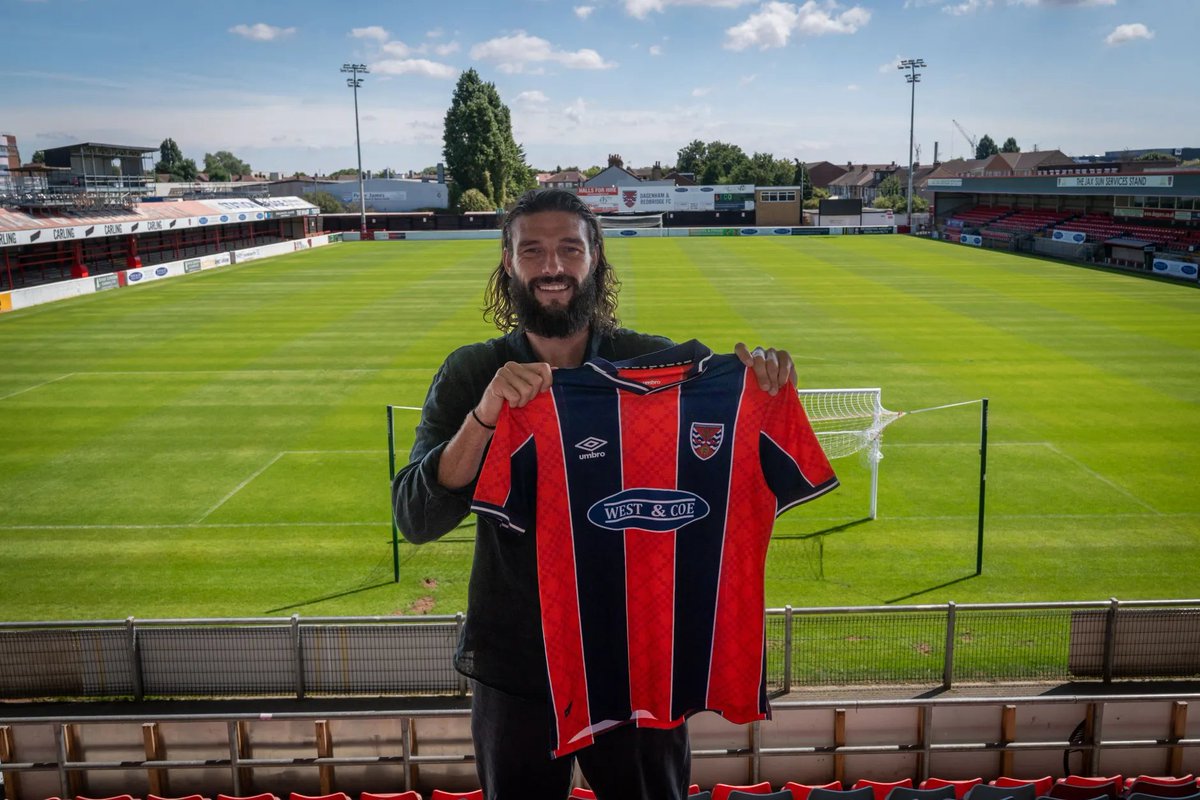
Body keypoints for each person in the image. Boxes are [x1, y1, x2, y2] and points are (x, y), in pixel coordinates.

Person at [392, 188, 796, 800]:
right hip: (518, 663)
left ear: (595, 256)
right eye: (532, 250)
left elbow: (728, 464)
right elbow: (416, 516)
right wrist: (484, 417)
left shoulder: (655, 363)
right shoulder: (472, 372)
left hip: (637, 660)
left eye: (567, 249)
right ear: (508, 261)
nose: (552, 267)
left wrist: (757, 389)